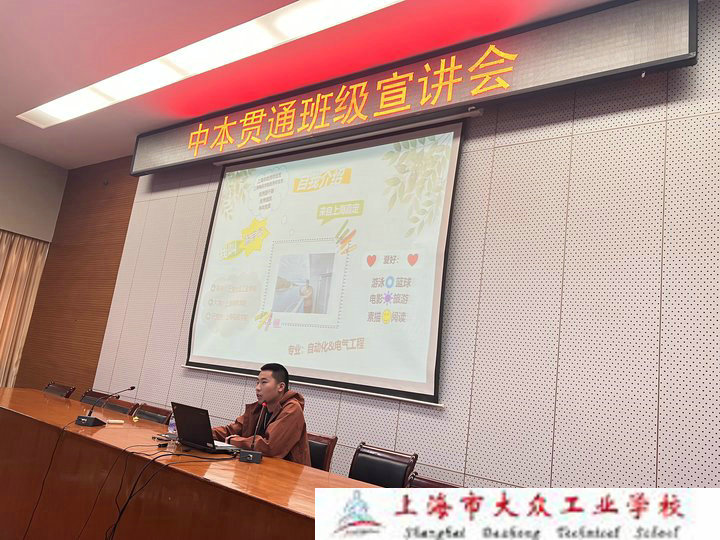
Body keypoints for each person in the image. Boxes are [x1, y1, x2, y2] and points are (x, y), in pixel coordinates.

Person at [211, 363, 311, 465]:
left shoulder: (292, 409)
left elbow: (269, 446)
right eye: (257, 382)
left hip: (287, 470)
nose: (258, 388)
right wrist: (207, 433)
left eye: (264, 382)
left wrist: (234, 441)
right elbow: (232, 430)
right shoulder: (261, 407)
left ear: (281, 387)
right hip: (260, 466)